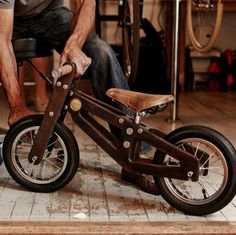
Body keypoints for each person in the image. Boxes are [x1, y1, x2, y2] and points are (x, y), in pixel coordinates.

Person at [0, 0, 158, 195]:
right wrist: (18, 109)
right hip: (10, 19)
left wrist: (74, 43)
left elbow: (87, 3)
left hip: (51, 14)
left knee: (102, 53)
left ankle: (132, 153)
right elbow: (2, 40)